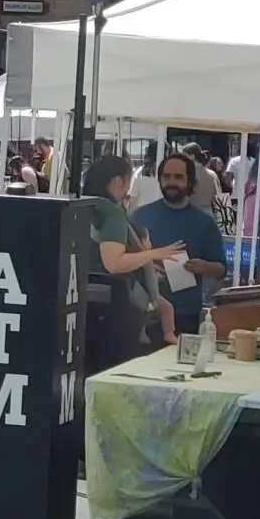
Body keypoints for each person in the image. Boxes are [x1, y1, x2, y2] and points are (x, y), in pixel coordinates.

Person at [80, 153, 173, 368]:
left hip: (83, 303)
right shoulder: (111, 212)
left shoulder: (84, 206)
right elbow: (114, 263)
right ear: (118, 181)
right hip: (115, 308)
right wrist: (152, 254)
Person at [132, 151, 228, 332]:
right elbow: (121, 261)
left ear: (190, 182)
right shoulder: (139, 216)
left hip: (185, 315)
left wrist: (204, 266)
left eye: (178, 177)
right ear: (159, 179)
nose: (171, 182)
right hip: (143, 312)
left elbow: (221, 269)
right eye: (166, 176)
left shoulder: (204, 223)